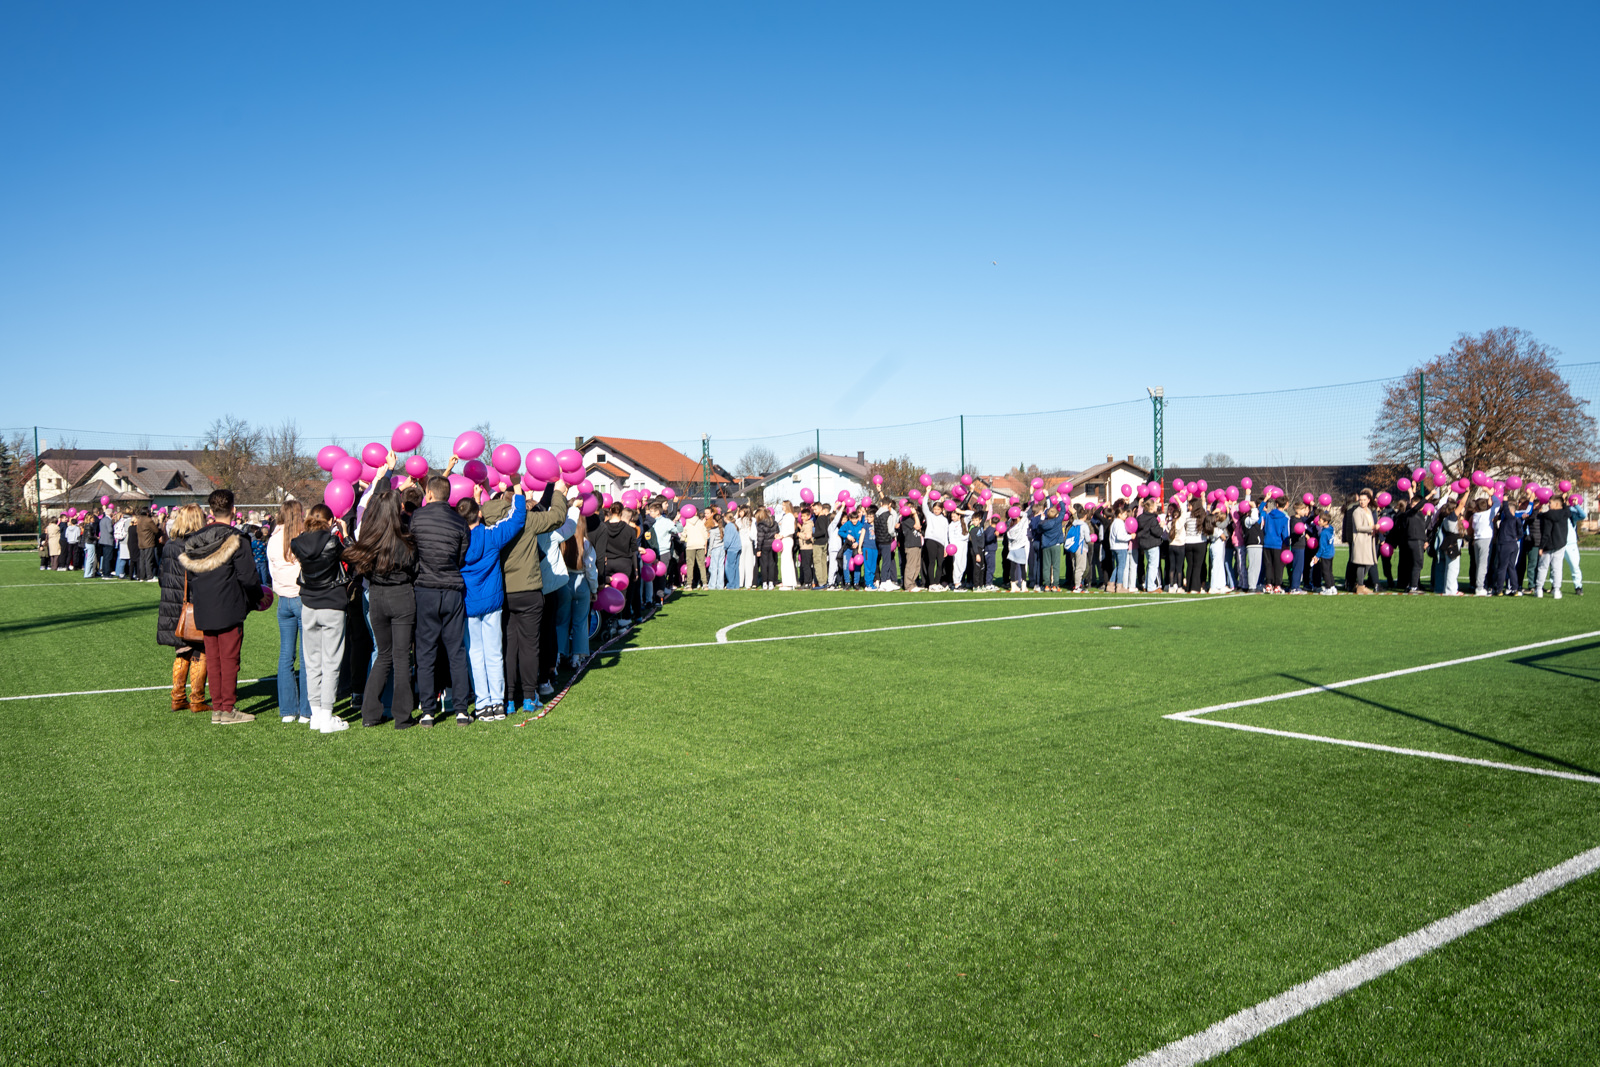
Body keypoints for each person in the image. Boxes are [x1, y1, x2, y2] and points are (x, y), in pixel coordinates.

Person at [482, 480, 568, 717]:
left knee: (508, 647)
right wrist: (559, 493)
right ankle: (529, 697)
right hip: (528, 591)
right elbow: (557, 517)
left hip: (504, 592)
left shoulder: (488, 520)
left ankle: (509, 698)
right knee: (530, 645)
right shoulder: (526, 520)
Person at [179, 489, 264, 725]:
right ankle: (226, 709)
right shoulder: (237, 538)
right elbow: (248, 577)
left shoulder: (195, 539)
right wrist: (257, 598)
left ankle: (218, 708)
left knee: (214, 660)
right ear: (233, 510)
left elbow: (191, 576)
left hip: (205, 607)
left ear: (210, 511)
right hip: (229, 606)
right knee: (229, 661)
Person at [343, 489, 421, 728]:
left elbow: (354, 558)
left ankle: (370, 713)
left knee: (384, 655)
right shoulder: (406, 539)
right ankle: (402, 716)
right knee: (400, 656)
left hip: (378, 597)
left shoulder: (371, 539)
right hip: (401, 596)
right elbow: (414, 568)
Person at [409, 473, 475, 726]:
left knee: (425, 652)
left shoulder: (417, 517)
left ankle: (428, 710)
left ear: (429, 494)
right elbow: (461, 555)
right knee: (456, 651)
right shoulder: (459, 522)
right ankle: (461, 710)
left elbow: (413, 551)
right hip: (452, 589)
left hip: (426, 588)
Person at [290, 503, 352, 733]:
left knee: (312, 662)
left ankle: (316, 714)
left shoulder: (297, 543)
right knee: (331, 662)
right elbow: (353, 556)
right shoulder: (333, 541)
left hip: (309, 605)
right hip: (332, 605)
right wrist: (345, 533)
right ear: (330, 521)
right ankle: (325, 715)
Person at [157, 503, 209, 714]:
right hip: (192, 605)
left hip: (171, 605)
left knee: (181, 651)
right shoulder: (197, 545)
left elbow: (162, 576)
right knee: (199, 651)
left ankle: (177, 697)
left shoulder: (170, 544)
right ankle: (197, 699)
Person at [266, 500, 313, 725]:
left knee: (286, 655)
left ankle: (287, 710)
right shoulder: (302, 538)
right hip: (301, 598)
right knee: (306, 656)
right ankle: (306, 710)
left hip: (283, 599)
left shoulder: (273, 539)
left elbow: (270, 570)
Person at [1534, 493, 1571, 598]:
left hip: (1548, 545)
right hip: (1560, 544)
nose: (1548, 504)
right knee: (1557, 568)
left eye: (1550, 503)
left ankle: (1539, 589)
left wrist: (1541, 546)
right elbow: (1568, 512)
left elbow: (1546, 533)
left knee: (1543, 567)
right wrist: (1564, 502)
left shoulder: (1547, 516)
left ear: (1556, 504)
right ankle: (1556, 590)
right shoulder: (1564, 513)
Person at [1347, 491, 1377, 594]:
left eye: (1364, 500)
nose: (1362, 502)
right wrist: (1372, 527)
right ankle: (1360, 586)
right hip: (1360, 540)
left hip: (1368, 540)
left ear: (1368, 500)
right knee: (1362, 563)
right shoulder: (1357, 512)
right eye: (1360, 500)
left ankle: (1359, 583)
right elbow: (1359, 527)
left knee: (1368, 563)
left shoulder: (1369, 510)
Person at [1039, 505, 1065, 591]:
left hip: (1046, 546)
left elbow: (1039, 528)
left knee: (1046, 566)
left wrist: (1041, 519)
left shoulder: (1043, 523)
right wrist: (1060, 500)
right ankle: (1055, 585)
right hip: (1055, 546)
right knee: (1056, 566)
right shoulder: (1058, 521)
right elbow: (1063, 511)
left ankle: (1046, 585)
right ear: (1056, 515)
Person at [683, 508, 708, 587]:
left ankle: (689, 584)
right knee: (701, 565)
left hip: (690, 545)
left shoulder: (687, 522)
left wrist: (683, 539)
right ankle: (705, 583)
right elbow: (705, 534)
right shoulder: (700, 522)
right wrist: (704, 543)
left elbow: (683, 534)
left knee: (690, 565)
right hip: (700, 545)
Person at [778, 501, 798, 589]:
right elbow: (784, 529)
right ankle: (789, 582)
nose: (782, 507)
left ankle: (788, 583)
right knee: (785, 561)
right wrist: (779, 534)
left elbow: (791, 530)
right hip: (784, 539)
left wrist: (782, 535)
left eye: (783, 505)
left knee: (787, 561)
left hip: (787, 540)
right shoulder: (785, 516)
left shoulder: (790, 516)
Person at [722, 508, 742, 589]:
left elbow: (728, 539)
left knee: (729, 567)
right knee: (735, 567)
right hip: (737, 547)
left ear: (725, 518)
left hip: (732, 549)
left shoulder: (728, 526)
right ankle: (736, 584)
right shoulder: (734, 525)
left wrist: (725, 547)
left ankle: (731, 584)